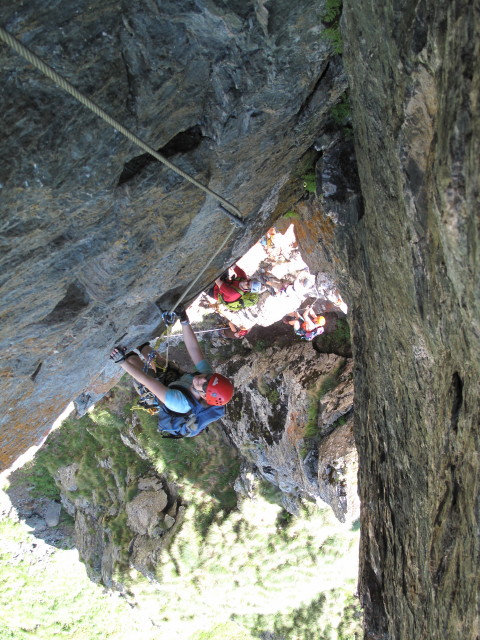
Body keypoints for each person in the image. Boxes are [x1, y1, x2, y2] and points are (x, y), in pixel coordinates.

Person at [110, 310, 234, 437]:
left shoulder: (179, 403)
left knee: (137, 365)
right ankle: (141, 344)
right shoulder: (207, 376)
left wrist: (121, 361)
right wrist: (185, 321)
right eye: (208, 377)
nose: (203, 379)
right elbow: (194, 348)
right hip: (179, 382)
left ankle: (129, 354)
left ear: (204, 397)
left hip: (163, 397)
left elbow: (146, 380)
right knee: (158, 360)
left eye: (205, 386)